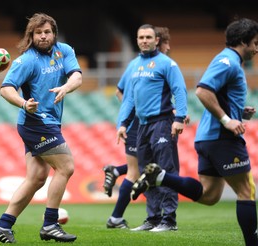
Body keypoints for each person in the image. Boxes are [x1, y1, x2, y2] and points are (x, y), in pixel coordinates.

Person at [132, 18, 258, 245]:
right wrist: (227, 119)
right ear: (243, 41)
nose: (257, 48)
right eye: (255, 43)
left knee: (209, 195)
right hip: (223, 138)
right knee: (247, 190)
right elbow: (202, 91)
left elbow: (217, 95)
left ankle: (161, 177)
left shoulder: (228, 61)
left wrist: (239, 111)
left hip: (208, 138)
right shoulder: (228, 61)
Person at [0, 13, 82, 243]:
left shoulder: (65, 51)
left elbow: (77, 76)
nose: (43, 36)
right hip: (36, 122)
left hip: (47, 122)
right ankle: (50, 224)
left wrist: (66, 87)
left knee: (37, 177)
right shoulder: (26, 60)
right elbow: (6, 89)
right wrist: (23, 103)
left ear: (54, 34)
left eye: (47, 32)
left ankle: (3, 226)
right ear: (31, 35)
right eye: (38, 32)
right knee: (66, 167)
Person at [117, 24, 188, 232]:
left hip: (163, 123)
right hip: (142, 127)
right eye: (141, 37)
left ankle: (169, 220)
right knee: (146, 174)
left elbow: (180, 91)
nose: (144, 40)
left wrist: (179, 118)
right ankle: (153, 218)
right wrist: (122, 124)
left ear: (157, 40)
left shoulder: (167, 64)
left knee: (166, 170)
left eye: (148, 37)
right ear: (137, 40)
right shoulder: (134, 65)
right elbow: (129, 98)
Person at [104, 26, 173, 230]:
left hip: (147, 124)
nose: (168, 49)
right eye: (167, 45)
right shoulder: (137, 65)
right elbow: (120, 92)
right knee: (138, 172)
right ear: (161, 43)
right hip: (138, 125)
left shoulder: (160, 65)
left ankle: (116, 171)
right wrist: (132, 112)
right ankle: (117, 218)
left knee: (146, 167)